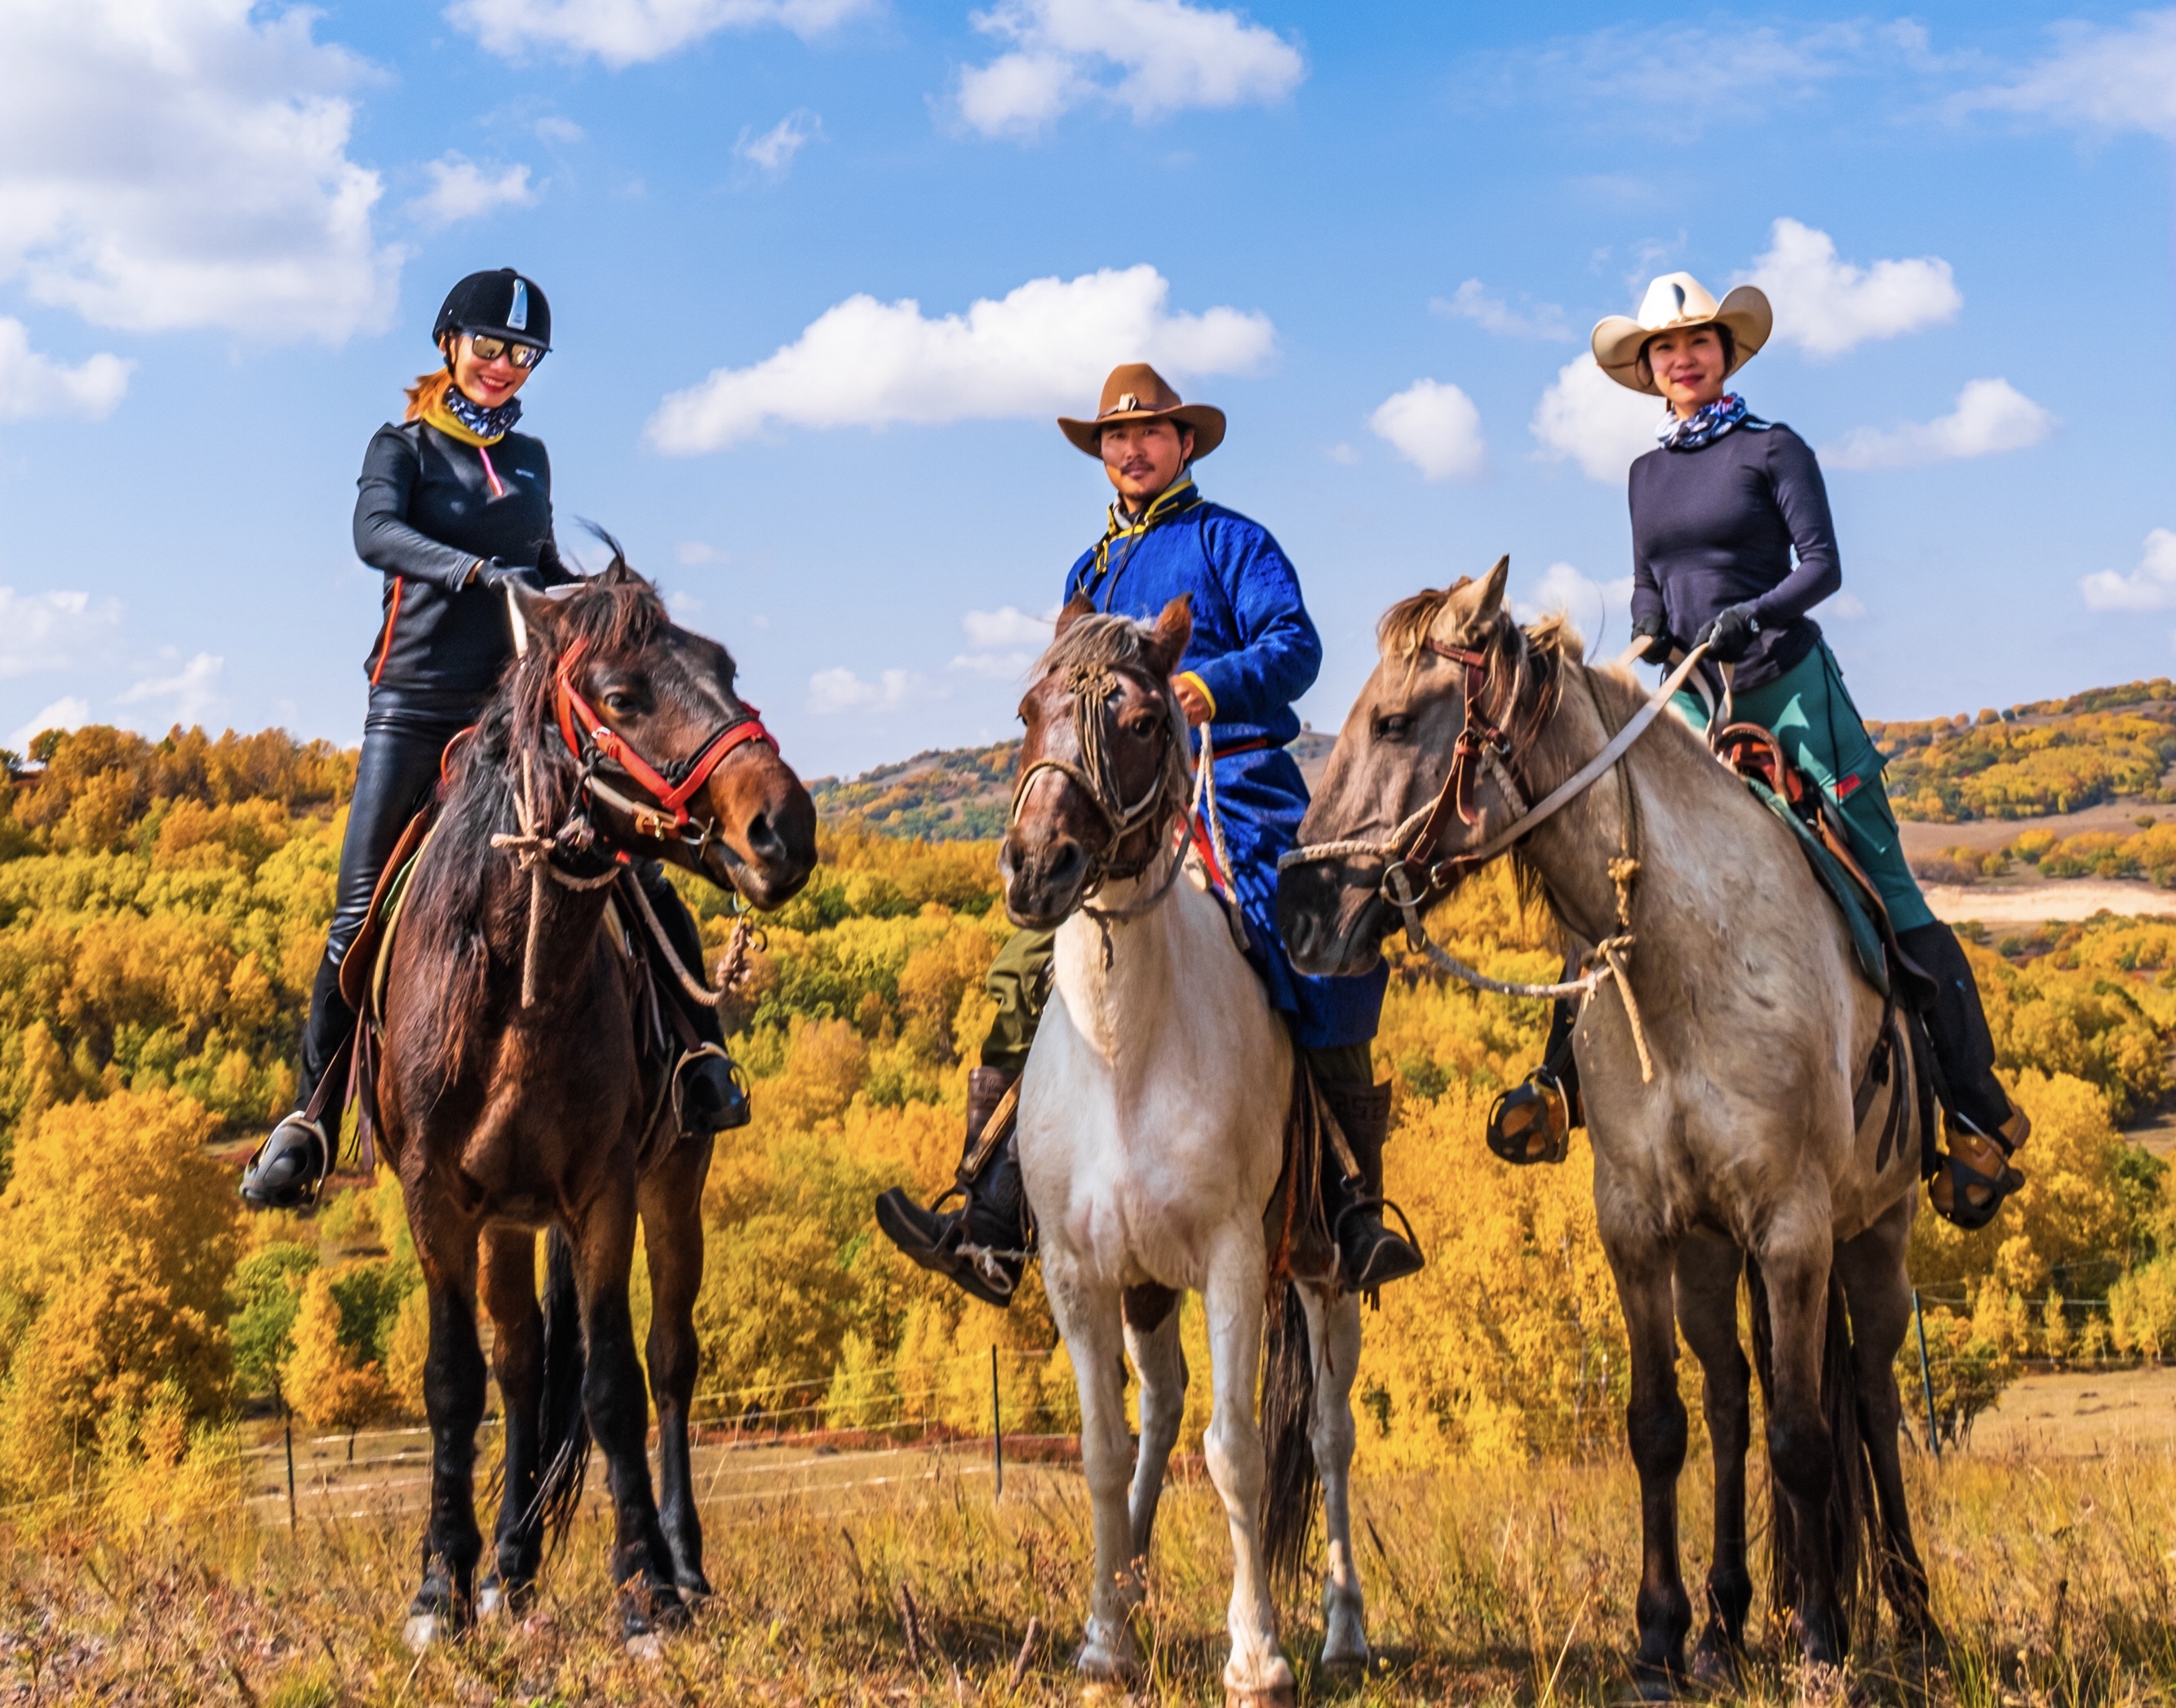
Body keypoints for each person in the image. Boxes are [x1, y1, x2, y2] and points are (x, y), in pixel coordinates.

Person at [1487, 272, 2028, 1231]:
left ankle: (1970, 1111)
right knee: (1614, 874)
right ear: (1649, 371)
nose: (1682, 357)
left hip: (1788, 694)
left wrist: (1752, 615)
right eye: (1664, 348)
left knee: (1884, 881)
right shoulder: (1645, 476)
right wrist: (1641, 648)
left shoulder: (1773, 447)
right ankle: (1559, 1079)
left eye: (1697, 341)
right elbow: (1652, 591)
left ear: (1726, 352)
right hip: (1689, 699)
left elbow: (1822, 565)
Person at [874, 363, 1425, 1305]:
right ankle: (992, 1213)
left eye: (1149, 435)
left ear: (1185, 445)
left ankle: (1351, 1202)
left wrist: (1212, 686)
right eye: (1113, 440)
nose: (1130, 450)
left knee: (1314, 946)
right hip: (1119, 805)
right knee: (1022, 966)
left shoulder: (1233, 542)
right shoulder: (1088, 573)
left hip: (1231, 781)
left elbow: (1298, 647)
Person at [240, 268, 747, 1210]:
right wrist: (476, 572)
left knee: (629, 868)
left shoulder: (533, 459)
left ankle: (698, 1061)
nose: (506, 366)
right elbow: (375, 534)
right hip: (415, 704)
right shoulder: (402, 447)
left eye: (523, 354)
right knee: (361, 909)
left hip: (515, 710)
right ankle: (308, 1118)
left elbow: (542, 562)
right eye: (491, 346)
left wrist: (598, 598)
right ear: (449, 345)